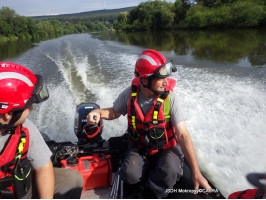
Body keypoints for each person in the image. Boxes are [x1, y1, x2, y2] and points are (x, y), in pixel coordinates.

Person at [87, 49, 211, 198]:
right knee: (129, 174)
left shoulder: (171, 98)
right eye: (161, 78)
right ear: (145, 80)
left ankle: (150, 193)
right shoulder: (130, 94)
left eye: (167, 77)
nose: (166, 82)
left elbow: (183, 135)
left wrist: (196, 173)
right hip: (139, 146)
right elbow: (114, 112)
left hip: (167, 148)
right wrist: (98, 113)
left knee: (169, 171)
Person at [0, 62, 84, 199]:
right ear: (8, 114)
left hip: (20, 189)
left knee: (73, 180)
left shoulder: (24, 127)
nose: (31, 109)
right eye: (28, 105)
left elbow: (43, 167)